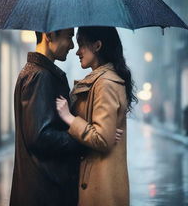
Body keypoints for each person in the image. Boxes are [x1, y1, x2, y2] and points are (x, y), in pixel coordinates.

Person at [10, 28, 123, 206]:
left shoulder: (37, 73)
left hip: (42, 189)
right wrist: (89, 139)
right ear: (49, 35)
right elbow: (41, 137)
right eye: (69, 37)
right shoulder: (40, 76)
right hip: (46, 190)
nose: (71, 46)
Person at [56, 26, 138, 206]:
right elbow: (103, 134)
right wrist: (100, 131)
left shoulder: (105, 84)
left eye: (81, 45)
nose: (77, 52)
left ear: (98, 45)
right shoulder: (100, 81)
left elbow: (102, 138)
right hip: (99, 184)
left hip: (101, 188)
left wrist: (69, 117)